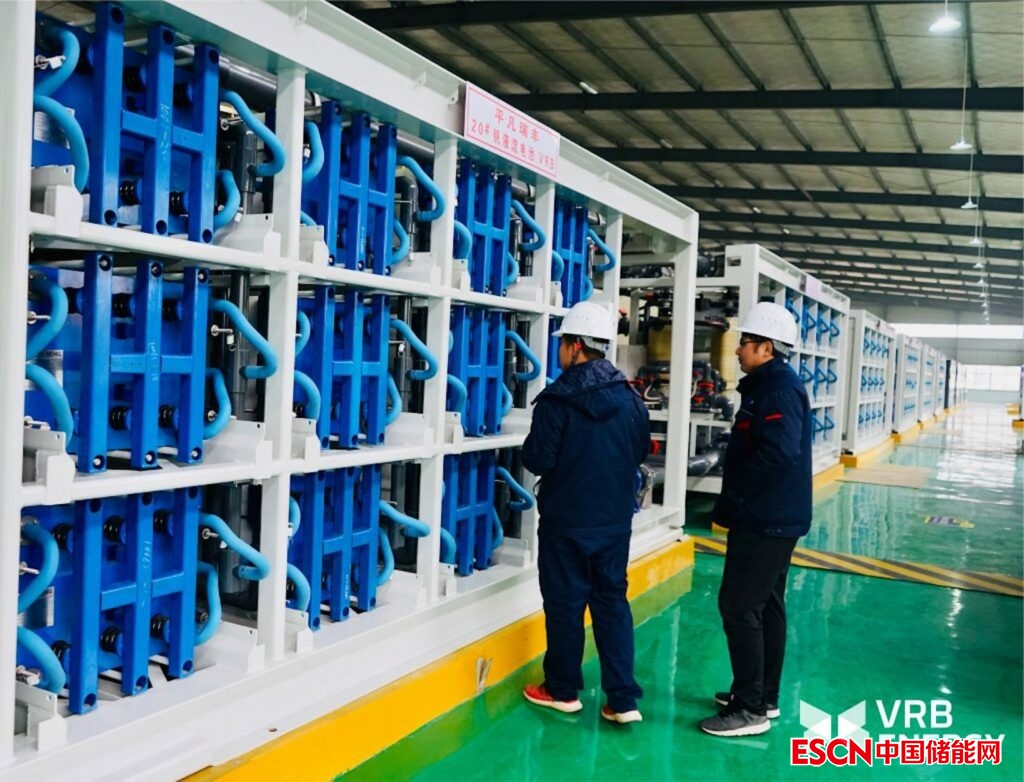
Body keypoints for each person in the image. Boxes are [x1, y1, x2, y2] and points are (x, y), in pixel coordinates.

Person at [520, 301, 651, 724]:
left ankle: (561, 690)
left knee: (565, 604)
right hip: (614, 523)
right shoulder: (631, 398)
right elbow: (639, 451)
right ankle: (623, 700)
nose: (559, 350)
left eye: (563, 343)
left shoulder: (557, 400)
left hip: (566, 523)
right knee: (612, 602)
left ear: (576, 346)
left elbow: (538, 459)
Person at [699, 301, 812, 738]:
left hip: (765, 518)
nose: (737, 350)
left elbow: (777, 453)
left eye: (744, 342)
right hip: (774, 516)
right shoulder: (769, 385)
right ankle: (763, 695)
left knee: (739, 605)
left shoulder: (777, 390)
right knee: (766, 605)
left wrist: (740, 491)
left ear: (767, 347)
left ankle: (749, 709)